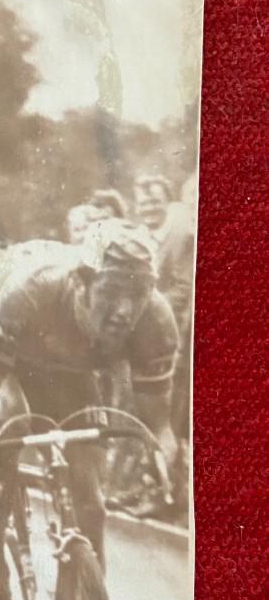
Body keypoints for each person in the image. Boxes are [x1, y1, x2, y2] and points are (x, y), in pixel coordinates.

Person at [0, 218, 179, 600]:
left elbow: (160, 426)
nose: (124, 311)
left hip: (70, 372)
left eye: (139, 293)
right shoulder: (33, 289)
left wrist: (164, 456)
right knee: (2, 424)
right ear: (82, 282)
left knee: (91, 500)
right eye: (112, 291)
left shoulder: (155, 319)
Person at [133, 174, 194, 438]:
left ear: (167, 203)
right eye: (143, 204)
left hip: (174, 329)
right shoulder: (137, 237)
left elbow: (183, 287)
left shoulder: (182, 237)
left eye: (155, 202)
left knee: (171, 398)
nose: (149, 209)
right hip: (139, 333)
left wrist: (149, 308)